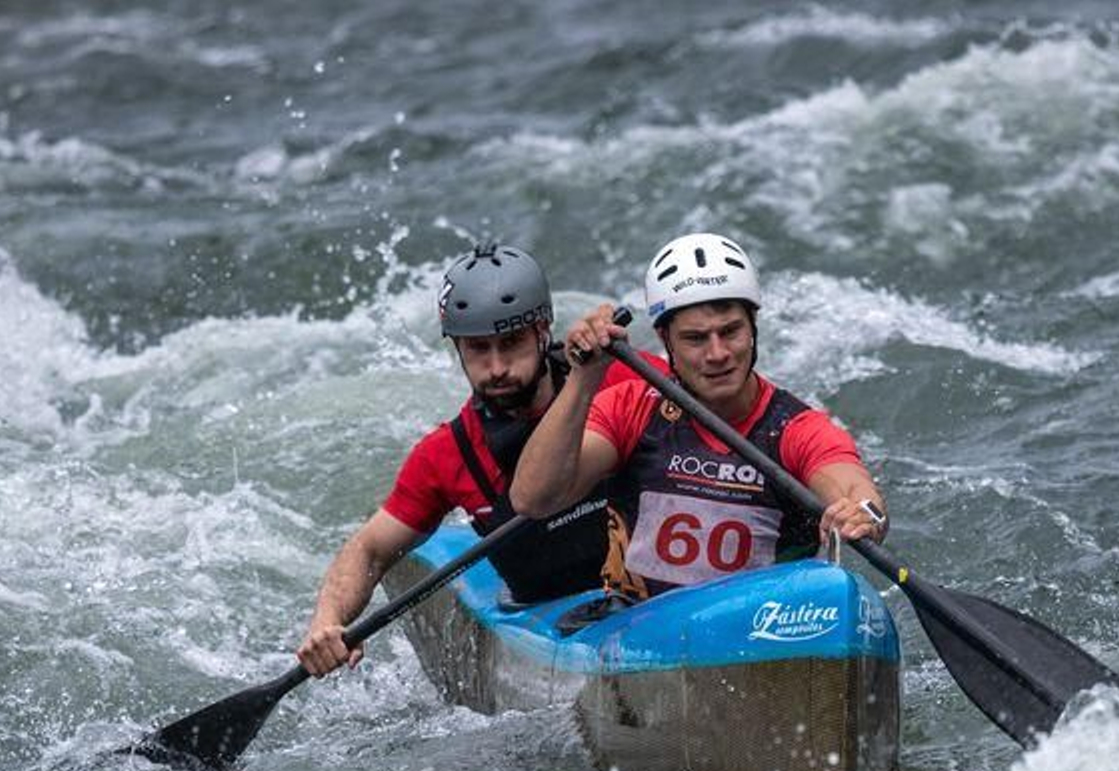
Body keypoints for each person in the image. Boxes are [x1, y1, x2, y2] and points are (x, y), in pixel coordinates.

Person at [296, 243, 657, 676]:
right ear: (457, 349)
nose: (497, 366)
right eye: (478, 349)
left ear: (543, 330)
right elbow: (369, 550)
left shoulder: (620, 376)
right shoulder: (447, 453)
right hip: (552, 619)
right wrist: (327, 622)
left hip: (655, 603)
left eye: (512, 343)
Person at [510, 232, 887, 601]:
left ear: (753, 325)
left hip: (760, 633)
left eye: (731, 331)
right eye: (695, 338)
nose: (718, 352)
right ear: (665, 339)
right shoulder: (631, 407)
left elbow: (856, 491)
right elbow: (533, 499)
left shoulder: (797, 429)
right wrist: (584, 377)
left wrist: (862, 514)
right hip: (635, 629)